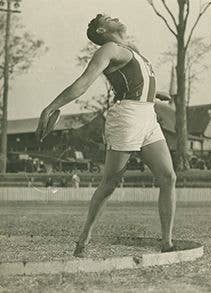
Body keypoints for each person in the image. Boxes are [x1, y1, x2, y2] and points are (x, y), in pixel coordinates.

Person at [36, 14, 176, 256]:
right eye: (109, 18)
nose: (117, 17)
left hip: (147, 115)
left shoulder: (129, 50)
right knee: (110, 183)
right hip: (128, 118)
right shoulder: (109, 48)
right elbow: (83, 82)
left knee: (168, 177)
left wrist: (153, 94)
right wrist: (50, 107)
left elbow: (131, 85)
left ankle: (167, 242)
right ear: (102, 30)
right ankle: (84, 237)